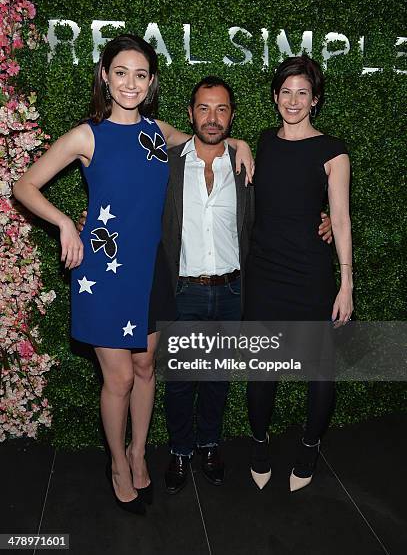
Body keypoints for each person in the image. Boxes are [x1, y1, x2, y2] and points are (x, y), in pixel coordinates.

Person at [12, 35, 254, 515]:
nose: (130, 83)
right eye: (120, 72)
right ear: (105, 75)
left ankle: (138, 452)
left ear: (151, 82)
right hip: (102, 275)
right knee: (119, 378)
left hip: (152, 270)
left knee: (146, 369)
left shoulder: (157, 131)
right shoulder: (87, 135)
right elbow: (24, 185)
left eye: (140, 74)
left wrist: (242, 141)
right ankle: (117, 465)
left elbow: (210, 138)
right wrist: (64, 222)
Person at [159, 76, 333, 495]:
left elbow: (280, 208)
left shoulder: (243, 167)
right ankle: (180, 450)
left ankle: (209, 445)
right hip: (184, 289)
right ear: (191, 113)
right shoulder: (169, 161)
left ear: (232, 116)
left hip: (233, 290)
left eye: (221, 109)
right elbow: (146, 132)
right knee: (182, 379)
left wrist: (321, 222)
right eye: (203, 108)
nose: (212, 118)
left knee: (217, 377)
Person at [244, 55, 353, 492]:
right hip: (264, 273)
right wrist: (239, 144)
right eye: (286, 92)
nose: (293, 100)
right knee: (260, 369)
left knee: (321, 371)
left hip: (311, 274)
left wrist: (346, 282)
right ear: (275, 97)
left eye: (302, 93)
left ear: (315, 100)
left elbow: (341, 219)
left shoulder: (333, 151)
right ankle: (258, 442)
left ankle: (309, 446)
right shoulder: (263, 142)